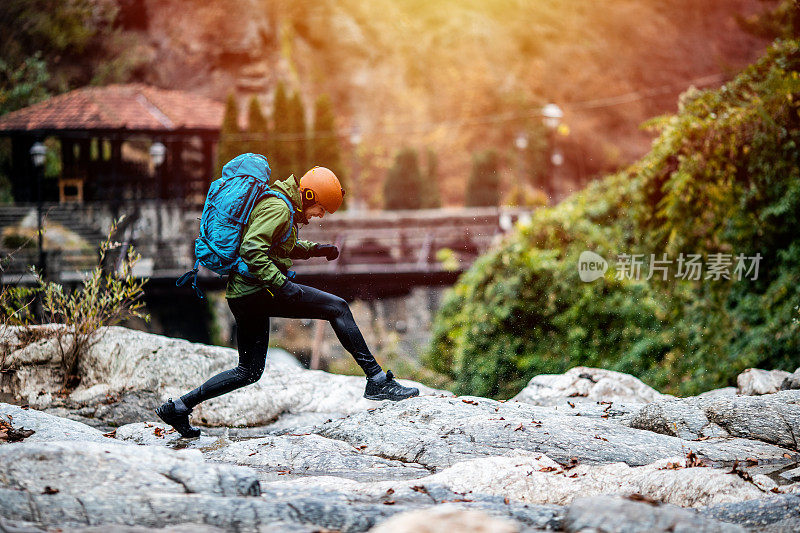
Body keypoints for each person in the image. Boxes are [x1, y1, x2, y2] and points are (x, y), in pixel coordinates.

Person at [156, 165, 419, 437]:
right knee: (337, 307)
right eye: (320, 209)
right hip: (259, 291)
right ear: (306, 195)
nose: (319, 216)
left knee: (249, 370)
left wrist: (317, 250)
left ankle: (180, 406)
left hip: (243, 295)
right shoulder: (279, 208)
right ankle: (376, 380)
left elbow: (281, 245)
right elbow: (252, 249)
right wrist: (283, 285)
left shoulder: (284, 208)